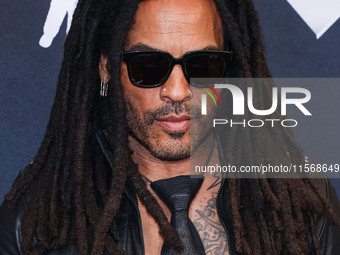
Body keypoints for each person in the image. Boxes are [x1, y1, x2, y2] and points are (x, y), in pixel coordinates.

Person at [1, 0, 340, 254]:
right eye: (149, 66)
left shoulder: (303, 204)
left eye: (203, 65)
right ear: (106, 69)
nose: (177, 91)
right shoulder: (35, 222)